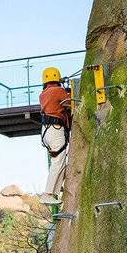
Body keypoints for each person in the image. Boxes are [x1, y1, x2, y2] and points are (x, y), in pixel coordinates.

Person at [39, 67, 72, 204]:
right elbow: (70, 102)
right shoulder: (58, 91)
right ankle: (47, 193)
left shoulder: (43, 94)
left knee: (59, 161)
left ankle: (56, 191)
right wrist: (68, 91)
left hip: (46, 131)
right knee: (58, 162)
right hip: (55, 129)